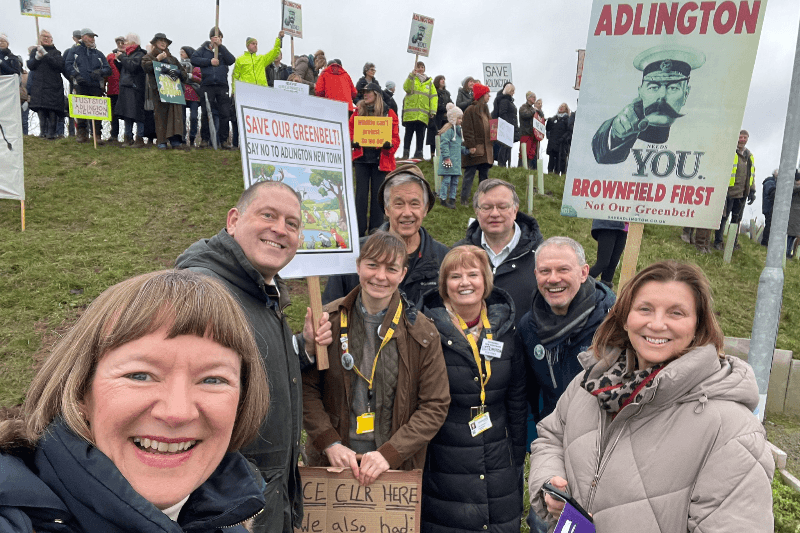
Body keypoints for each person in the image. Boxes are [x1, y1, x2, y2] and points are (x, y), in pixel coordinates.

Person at [0, 269, 272, 531]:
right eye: (139, 375)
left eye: (212, 380)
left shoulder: (230, 521)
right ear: (80, 392)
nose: (177, 413)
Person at [528, 260, 774, 532]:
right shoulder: (589, 384)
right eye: (645, 309)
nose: (657, 324)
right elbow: (551, 437)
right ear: (625, 317)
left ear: (698, 325)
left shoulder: (730, 427)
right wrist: (551, 481)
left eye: (676, 313)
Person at [175, 180, 333, 533]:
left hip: (264, 497)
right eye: (268, 215)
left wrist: (304, 347)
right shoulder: (205, 294)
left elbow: (256, 366)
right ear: (233, 220)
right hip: (233, 508)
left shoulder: (259, 291)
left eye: (292, 223)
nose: (280, 229)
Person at [302, 231, 450, 485]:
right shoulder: (327, 321)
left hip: (393, 470)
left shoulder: (422, 332)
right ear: (358, 266)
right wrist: (329, 442)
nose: (380, 276)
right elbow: (306, 389)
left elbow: (434, 404)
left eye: (391, 268)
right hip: (332, 465)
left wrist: (390, 454)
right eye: (372, 265)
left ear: (402, 274)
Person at [420, 246, 526, 533]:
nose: (464, 282)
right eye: (455, 276)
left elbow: (517, 398)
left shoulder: (505, 329)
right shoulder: (425, 330)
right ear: (444, 285)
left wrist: (516, 456)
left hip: (498, 455)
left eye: (472, 274)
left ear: (486, 280)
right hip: (444, 456)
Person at [517, 237, 616, 426]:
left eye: (563, 269)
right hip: (553, 431)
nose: (553, 279)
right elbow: (528, 391)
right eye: (545, 271)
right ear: (536, 274)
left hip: (600, 431)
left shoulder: (612, 323)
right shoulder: (528, 327)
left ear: (583, 273)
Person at [323, 165, 449, 308]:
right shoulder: (354, 253)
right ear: (386, 209)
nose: (407, 213)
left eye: (414, 204)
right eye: (399, 204)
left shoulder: (442, 258)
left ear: (425, 209)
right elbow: (330, 309)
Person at [592, 45, 706, 165]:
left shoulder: (698, 135)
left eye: (673, 88)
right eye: (653, 87)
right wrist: (616, 133)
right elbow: (603, 154)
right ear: (640, 92)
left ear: (686, 94)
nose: (662, 96)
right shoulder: (626, 123)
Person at [456, 179, 543, 323]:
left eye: (502, 207)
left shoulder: (542, 255)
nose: (495, 213)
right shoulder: (457, 254)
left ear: (515, 210)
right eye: (486, 207)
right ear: (477, 211)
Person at [350, 81, 400, 236]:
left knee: (378, 196)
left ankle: (376, 231)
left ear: (376, 94)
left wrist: (389, 145)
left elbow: (395, 137)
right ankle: (358, 231)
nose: (365, 95)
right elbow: (350, 130)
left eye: (368, 92)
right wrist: (353, 141)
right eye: (363, 92)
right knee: (361, 196)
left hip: (380, 159)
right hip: (362, 159)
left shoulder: (388, 113)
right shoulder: (358, 112)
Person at [141, 33, 187, 150]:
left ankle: (175, 140)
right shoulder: (149, 56)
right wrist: (157, 60)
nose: (163, 43)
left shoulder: (173, 59)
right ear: (155, 43)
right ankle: (162, 141)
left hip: (174, 92)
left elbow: (184, 75)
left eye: (165, 41)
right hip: (158, 91)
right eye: (160, 40)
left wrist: (178, 73)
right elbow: (146, 67)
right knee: (161, 116)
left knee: (175, 116)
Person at [64, 28, 111, 143]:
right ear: (83, 37)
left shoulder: (99, 54)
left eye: (93, 37)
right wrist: (76, 76)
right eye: (90, 37)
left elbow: (108, 69)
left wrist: (100, 72)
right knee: (81, 110)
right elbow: (68, 65)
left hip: (96, 86)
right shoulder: (74, 51)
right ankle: (82, 134)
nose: (92, 39)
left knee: (97, 111)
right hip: (80, 85)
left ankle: (97, 135)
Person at [191, 28, 235, 149]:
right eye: (217, 37)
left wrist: (221, 47)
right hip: (207, 84)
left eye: (220, 38)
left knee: (225, 113)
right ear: (211, 38)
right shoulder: (203, 50)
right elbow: (194, 59)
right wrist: (209, 61)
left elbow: (231, 60)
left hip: (222, 85)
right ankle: (205, 139)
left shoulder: (222, 51)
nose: (219, 39)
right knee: (206, 112)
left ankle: (224, 140)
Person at [714, 129, 756, 250]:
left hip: (742, 193)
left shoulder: (749, 155)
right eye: (740, 137)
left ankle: (733, 243)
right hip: (728, 191)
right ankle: (718, 241)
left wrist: (752, 190)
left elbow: (752, 174)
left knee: (737, 219)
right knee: (723, 218)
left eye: (744, 138)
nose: (742, 140)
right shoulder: (730, 152)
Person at [27, 30, 64, 140]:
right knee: (41, 109)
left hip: (53, 85)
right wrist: (37, 57)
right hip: (39, 84)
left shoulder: (56, 52)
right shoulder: (35, 51)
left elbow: (59, 65)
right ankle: (42, 132)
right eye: (43, 36)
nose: (46, 38)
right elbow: (31, 66)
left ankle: (51, 133)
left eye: (48, 37)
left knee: (52, 109)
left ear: (52, 39)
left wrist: (46, 55)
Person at [461, 82, 493, 206]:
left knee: (484, 177)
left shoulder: (486, 111)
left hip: (486, 150)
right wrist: (471, 145)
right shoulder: (470, 110)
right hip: (475, 149)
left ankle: (482, 202)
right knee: (469, 175)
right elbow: (467, 129)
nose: (489, 96)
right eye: (487, 94)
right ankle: (464, 200)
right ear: (481, 95)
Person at [115, 33, 147, 148]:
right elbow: (125, 69)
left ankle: (139, 138)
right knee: (126, 114)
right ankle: (128, 137)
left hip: (136, 88)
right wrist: (117, 61)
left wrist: (122, 58)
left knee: (138, 114)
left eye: (127, 41)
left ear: (133, 42)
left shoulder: (140, 54)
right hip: (126, 86)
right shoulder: (128, 54)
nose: (125, 43)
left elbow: (132, 67)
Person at [401, 61, 437, 159]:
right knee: (408, 133)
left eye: (422, 67)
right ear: (415, 68)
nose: (421, 69)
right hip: (410, 113)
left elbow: (433, 97)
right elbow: (406, 88)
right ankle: (405, 153)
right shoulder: (412, 78)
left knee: (420, 134)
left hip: (423, 113)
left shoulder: (429, 82)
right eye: (419, 67)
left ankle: (419, 153)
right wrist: (411, 76)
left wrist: (433, 111)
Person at [437, 103, 468, 209]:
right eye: (459, 118)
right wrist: (446, 158)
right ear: (453, 118)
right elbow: (444, 145)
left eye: (461, 118)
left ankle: (452, 199)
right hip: (449, 161)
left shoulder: (458, 133)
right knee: (446, 180)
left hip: (456, 162)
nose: (461, 120)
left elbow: (458, 147)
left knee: (455, 181)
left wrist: (468, 151)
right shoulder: (448, 132)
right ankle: (443, 199)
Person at [588, 220, 628, 289]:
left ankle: (605, 292)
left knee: (613, 264)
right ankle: (579, 283)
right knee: (603, 263)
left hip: (624, 228)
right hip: (607, 224)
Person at [492, 82, 518, 168]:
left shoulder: (509, 101)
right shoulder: (504, 101)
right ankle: (501, 164)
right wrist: (508, 125)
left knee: (507, 147)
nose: (513, 93)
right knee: (504, 146)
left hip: (509, 126)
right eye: (512, 91)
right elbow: (502, 113)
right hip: (506, 127)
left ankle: (504, 164)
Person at [180, 46, 202, 147]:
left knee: (193, 117)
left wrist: (191, 76)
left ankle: (192, 137)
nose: (181, 53)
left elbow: (200, 79)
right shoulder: (179, 65)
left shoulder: (196, 66)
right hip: (182, 94)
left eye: (183, 52)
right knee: (182, 118)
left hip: (194, 95)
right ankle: (182, 138)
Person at [105, 36, 125, 143]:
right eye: (118, 43)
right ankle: (114, 135)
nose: (121, 45)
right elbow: (105, 72)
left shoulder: (130, 57)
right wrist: (103, 85)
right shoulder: (110, 57)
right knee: (113, 114)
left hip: (126, 91)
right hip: (112, 90)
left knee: (128, 114)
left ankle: (128, 136)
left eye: (123, 42)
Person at [426, 74, 451, 158]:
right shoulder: (434, 91)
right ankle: (433, 155)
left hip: (445, 118)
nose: (443, 81)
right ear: (437, 81)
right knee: (434, 136)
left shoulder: (447, 93)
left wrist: (450, 108)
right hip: (435, 117)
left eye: (444, 79)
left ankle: (443, 155)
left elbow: (451, 103)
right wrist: (446, 108)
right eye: (441, 79)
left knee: (444, 137)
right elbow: (435, 104)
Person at [545, 103, 570, 175]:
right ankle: (550, 173)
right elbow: (548, 129)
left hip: (561, 144)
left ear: (566, 109)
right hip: (552, 142)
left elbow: (569, 131)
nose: (561, 108)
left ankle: (557, 174)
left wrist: (563, 138)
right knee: (551, 159)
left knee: (560, 160)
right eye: (560, 106)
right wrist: (548, 123)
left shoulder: (567, 119)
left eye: (563, 107)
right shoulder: (553, 118)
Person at [518, 91, 540, 169]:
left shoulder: (533, 109)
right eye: (533, 97)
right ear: (528, 98)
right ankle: (521, 168)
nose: (534, 99)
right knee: (524, 152)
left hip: (532, 134)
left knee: (531, 153)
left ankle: (530, 169)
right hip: (525, 133)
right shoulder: (523, 107)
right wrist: (534, 111)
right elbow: (525, 115)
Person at [785, 169, 800, 258]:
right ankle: (787, 252)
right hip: (793, 213)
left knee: (793, 236)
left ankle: (788, 252)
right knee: (790, 235)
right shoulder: (793, 188)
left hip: (796, 215)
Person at [761, 169, 778, 246]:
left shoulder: (771, 182)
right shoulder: (770, 182)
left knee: (769, 225)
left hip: (768, 207)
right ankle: (765, 243)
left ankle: (766, 243)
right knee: (769, 225)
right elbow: (772, 192)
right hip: (769, 208)